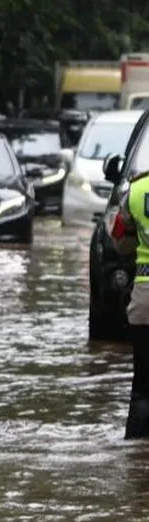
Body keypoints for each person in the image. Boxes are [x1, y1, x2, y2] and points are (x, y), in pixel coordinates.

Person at [111, 170, 149, 438]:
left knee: (142, 386)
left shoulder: (135, 191)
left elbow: (120, 241)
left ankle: (135, 451)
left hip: (145, 302)